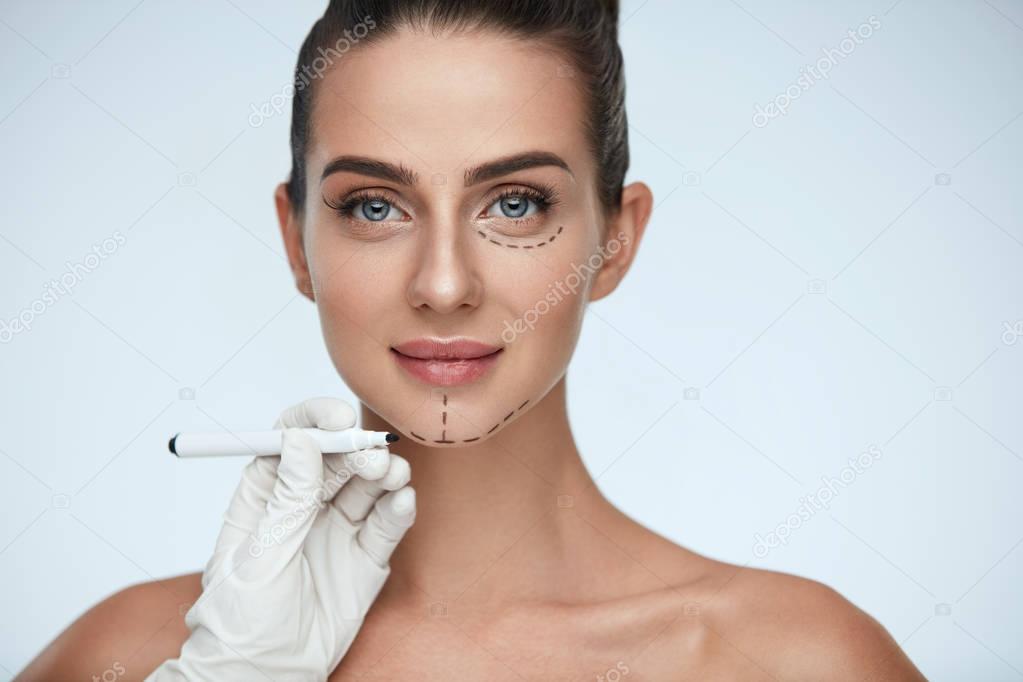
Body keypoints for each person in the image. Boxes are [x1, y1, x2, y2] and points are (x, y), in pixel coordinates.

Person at [18, 0, 925, 679]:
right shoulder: (135, 657)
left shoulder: (791, 661)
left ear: (615, 238)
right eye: (374, 206)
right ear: (297, 242)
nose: (444, 284)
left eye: (515, 204)